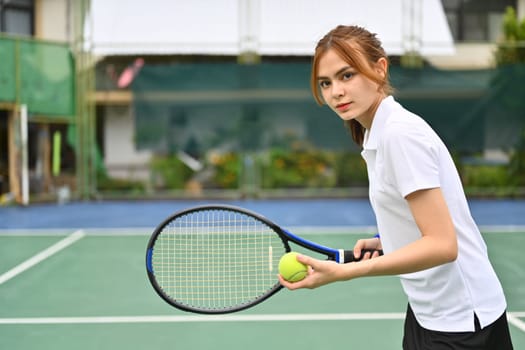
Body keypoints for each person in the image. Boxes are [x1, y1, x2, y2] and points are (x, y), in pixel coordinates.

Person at [278, 25, 513, 349]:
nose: (336, 92)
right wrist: (388, 241)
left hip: (463, 323)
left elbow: (444, 245)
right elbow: (423, 222)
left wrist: (346, 273)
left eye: (347, 75)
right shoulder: (376, 133)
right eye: (326, 83)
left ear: (379, 68)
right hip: (427, 313)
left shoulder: (400, 136)